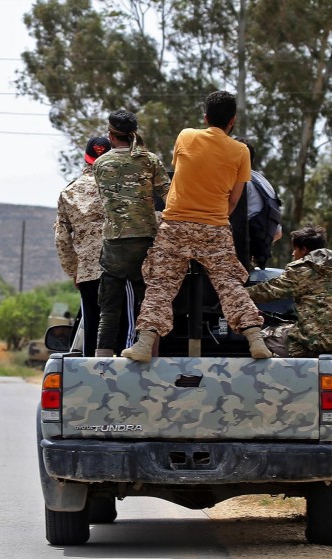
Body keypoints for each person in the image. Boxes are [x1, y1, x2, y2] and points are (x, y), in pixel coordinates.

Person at [122, 91, 271, 362]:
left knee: (161, 285)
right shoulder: (241, 152)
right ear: (233, 121)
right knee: (230, 284)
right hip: (215, 227)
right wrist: (215, 218)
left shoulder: (186, 136)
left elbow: (181, 171)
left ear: (205, 117)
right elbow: (235, 198)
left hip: (175, 224)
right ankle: (256, 340)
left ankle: (144, 345)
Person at [93, 110, 171, 357]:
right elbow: (170, 198)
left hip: (114, 244)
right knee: (148, 303)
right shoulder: (150, 160)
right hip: (145, 242)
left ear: (111, 135)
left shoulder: (100, 164)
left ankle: (102, 358)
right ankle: (148, 355)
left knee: (109, 307)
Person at [55, 135, 135, 356]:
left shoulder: (68, 192)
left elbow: (61, 239)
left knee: (91, 327)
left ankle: (93, 377)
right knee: (125, 329)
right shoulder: (122, 187)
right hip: (119, 268)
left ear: (86, 158)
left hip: (88, 273)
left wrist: (74, 271)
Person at [246, 225, 332, 358]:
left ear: (304, 249)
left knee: (261, 337)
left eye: (295, 249)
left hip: (320, 341)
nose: (293, 254)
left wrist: (236, 293)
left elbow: (267, 291)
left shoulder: (301, 270)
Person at [236, 137, 283, 269]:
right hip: (255, 254)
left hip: (239, 253)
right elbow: (278, 233)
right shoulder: (262, 180)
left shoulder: (240, 181)